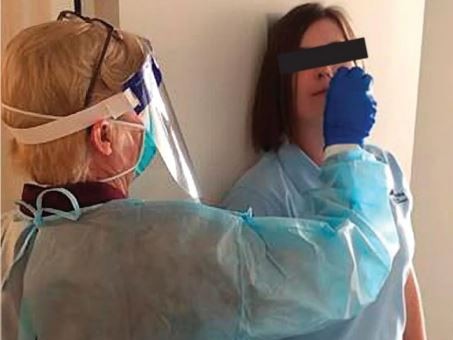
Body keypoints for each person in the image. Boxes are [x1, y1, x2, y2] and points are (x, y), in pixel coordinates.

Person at [2, 11, 398, 340]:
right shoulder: (171, 247)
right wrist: (345, 147)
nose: (147, 125)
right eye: (138, 112)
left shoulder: (12, 244)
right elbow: (350, 267)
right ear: (104, 135)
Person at [223, 3, 426, 340]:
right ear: (281, 80)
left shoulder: (385, 168)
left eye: (339, 57)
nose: (325, 71)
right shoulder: (261, 194)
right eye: (306, 61)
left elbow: (403, 275)